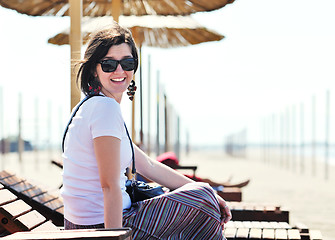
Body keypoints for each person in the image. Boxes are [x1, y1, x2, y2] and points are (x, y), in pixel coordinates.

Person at [61, 22, 231, 239]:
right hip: (104, 226)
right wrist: (114, 237)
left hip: (92, 223)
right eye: (109, 64)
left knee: (204, 194)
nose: (119, 71)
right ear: (94, 69)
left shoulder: (90, 106)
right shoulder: (105, 109)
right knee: (203, 203)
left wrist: (206, 189)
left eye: (127, 63)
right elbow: (110, 186)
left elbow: (147, 165)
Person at [156, 152, 250, 189]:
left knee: (208, 180)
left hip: (168, 175)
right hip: (168, 177)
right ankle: (231, 185)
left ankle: (227, 183)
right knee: (207, 181)